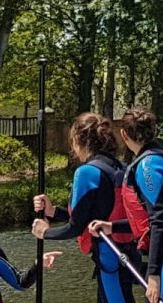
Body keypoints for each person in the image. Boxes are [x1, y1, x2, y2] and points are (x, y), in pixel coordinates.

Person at [91, 109, 163, 303]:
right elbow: (153, 220)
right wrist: (112, 227)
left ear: (124, 134)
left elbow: (159, 220)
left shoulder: (148, 165)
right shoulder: (162, 158)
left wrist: (154, 275)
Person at [33, 113, 140, 303]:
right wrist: (53, 212)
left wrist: (45, 232)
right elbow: (93, 216)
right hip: (128, 252)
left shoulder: (86, 172)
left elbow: (75, 227)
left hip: (109, 256)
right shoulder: (121, 167)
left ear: (78, 139)